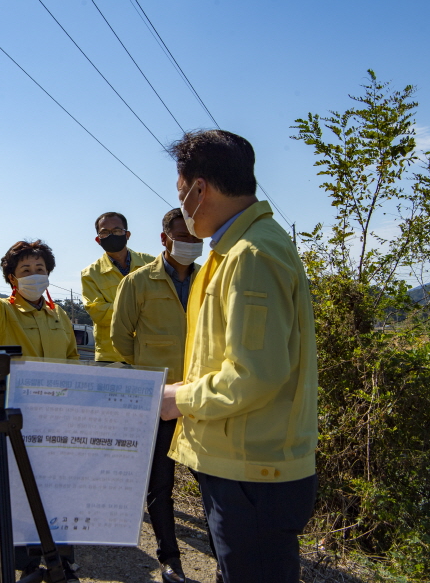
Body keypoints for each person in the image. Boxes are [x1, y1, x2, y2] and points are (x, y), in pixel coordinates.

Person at [161, 130, 318, 583]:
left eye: (180, 192)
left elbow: (254, 375)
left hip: (254, 471)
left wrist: (179, 399)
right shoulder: (237, 248)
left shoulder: (251, 254)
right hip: (242, 461)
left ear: (199, 189)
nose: (181, 204)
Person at [0, 240, 79, 582]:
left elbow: (72, 358)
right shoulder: (3, 311)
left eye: (40, 269)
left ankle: (62, 561)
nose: (34, 275)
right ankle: (24, 564)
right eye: (25, 270)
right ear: (12, 278)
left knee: (58, 487)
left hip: (57, 414)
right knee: (16, 486)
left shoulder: (59, 314)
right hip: (17, 415)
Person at [110, 208, 202, 583]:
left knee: (211, 483)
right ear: (164, 238)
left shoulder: (209, 281)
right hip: (158, 399)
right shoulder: (137, 282)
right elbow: (120, 337)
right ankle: (171, 560)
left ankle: (225, 560)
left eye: (196, 237)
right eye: (183, 237)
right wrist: (150, 374)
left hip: (200, 397)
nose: (190, 243)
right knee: (160, 484)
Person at [81, 212, 154, 362]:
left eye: (117, 230)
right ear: (98, 239)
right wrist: (141, 309)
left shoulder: (151, 264)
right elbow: (99, 313)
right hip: (111, 355)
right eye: (105, 232)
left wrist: (123, 310)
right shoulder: (90, 273)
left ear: (127, 234)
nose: (111, 235)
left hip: (151, 351)